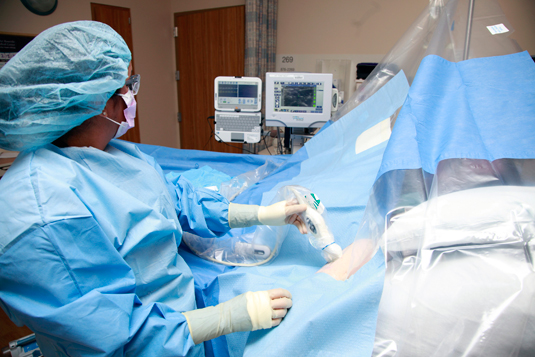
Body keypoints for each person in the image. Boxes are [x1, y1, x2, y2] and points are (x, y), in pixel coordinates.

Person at [0, 21, 307, 356]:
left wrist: (264, 214)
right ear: (99, 102)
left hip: (180, 320)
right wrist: (224, 318)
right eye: (128, 85)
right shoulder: (40, 215)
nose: (133, 95)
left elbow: (172, 199)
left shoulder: (114, 152)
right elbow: (110, 336)